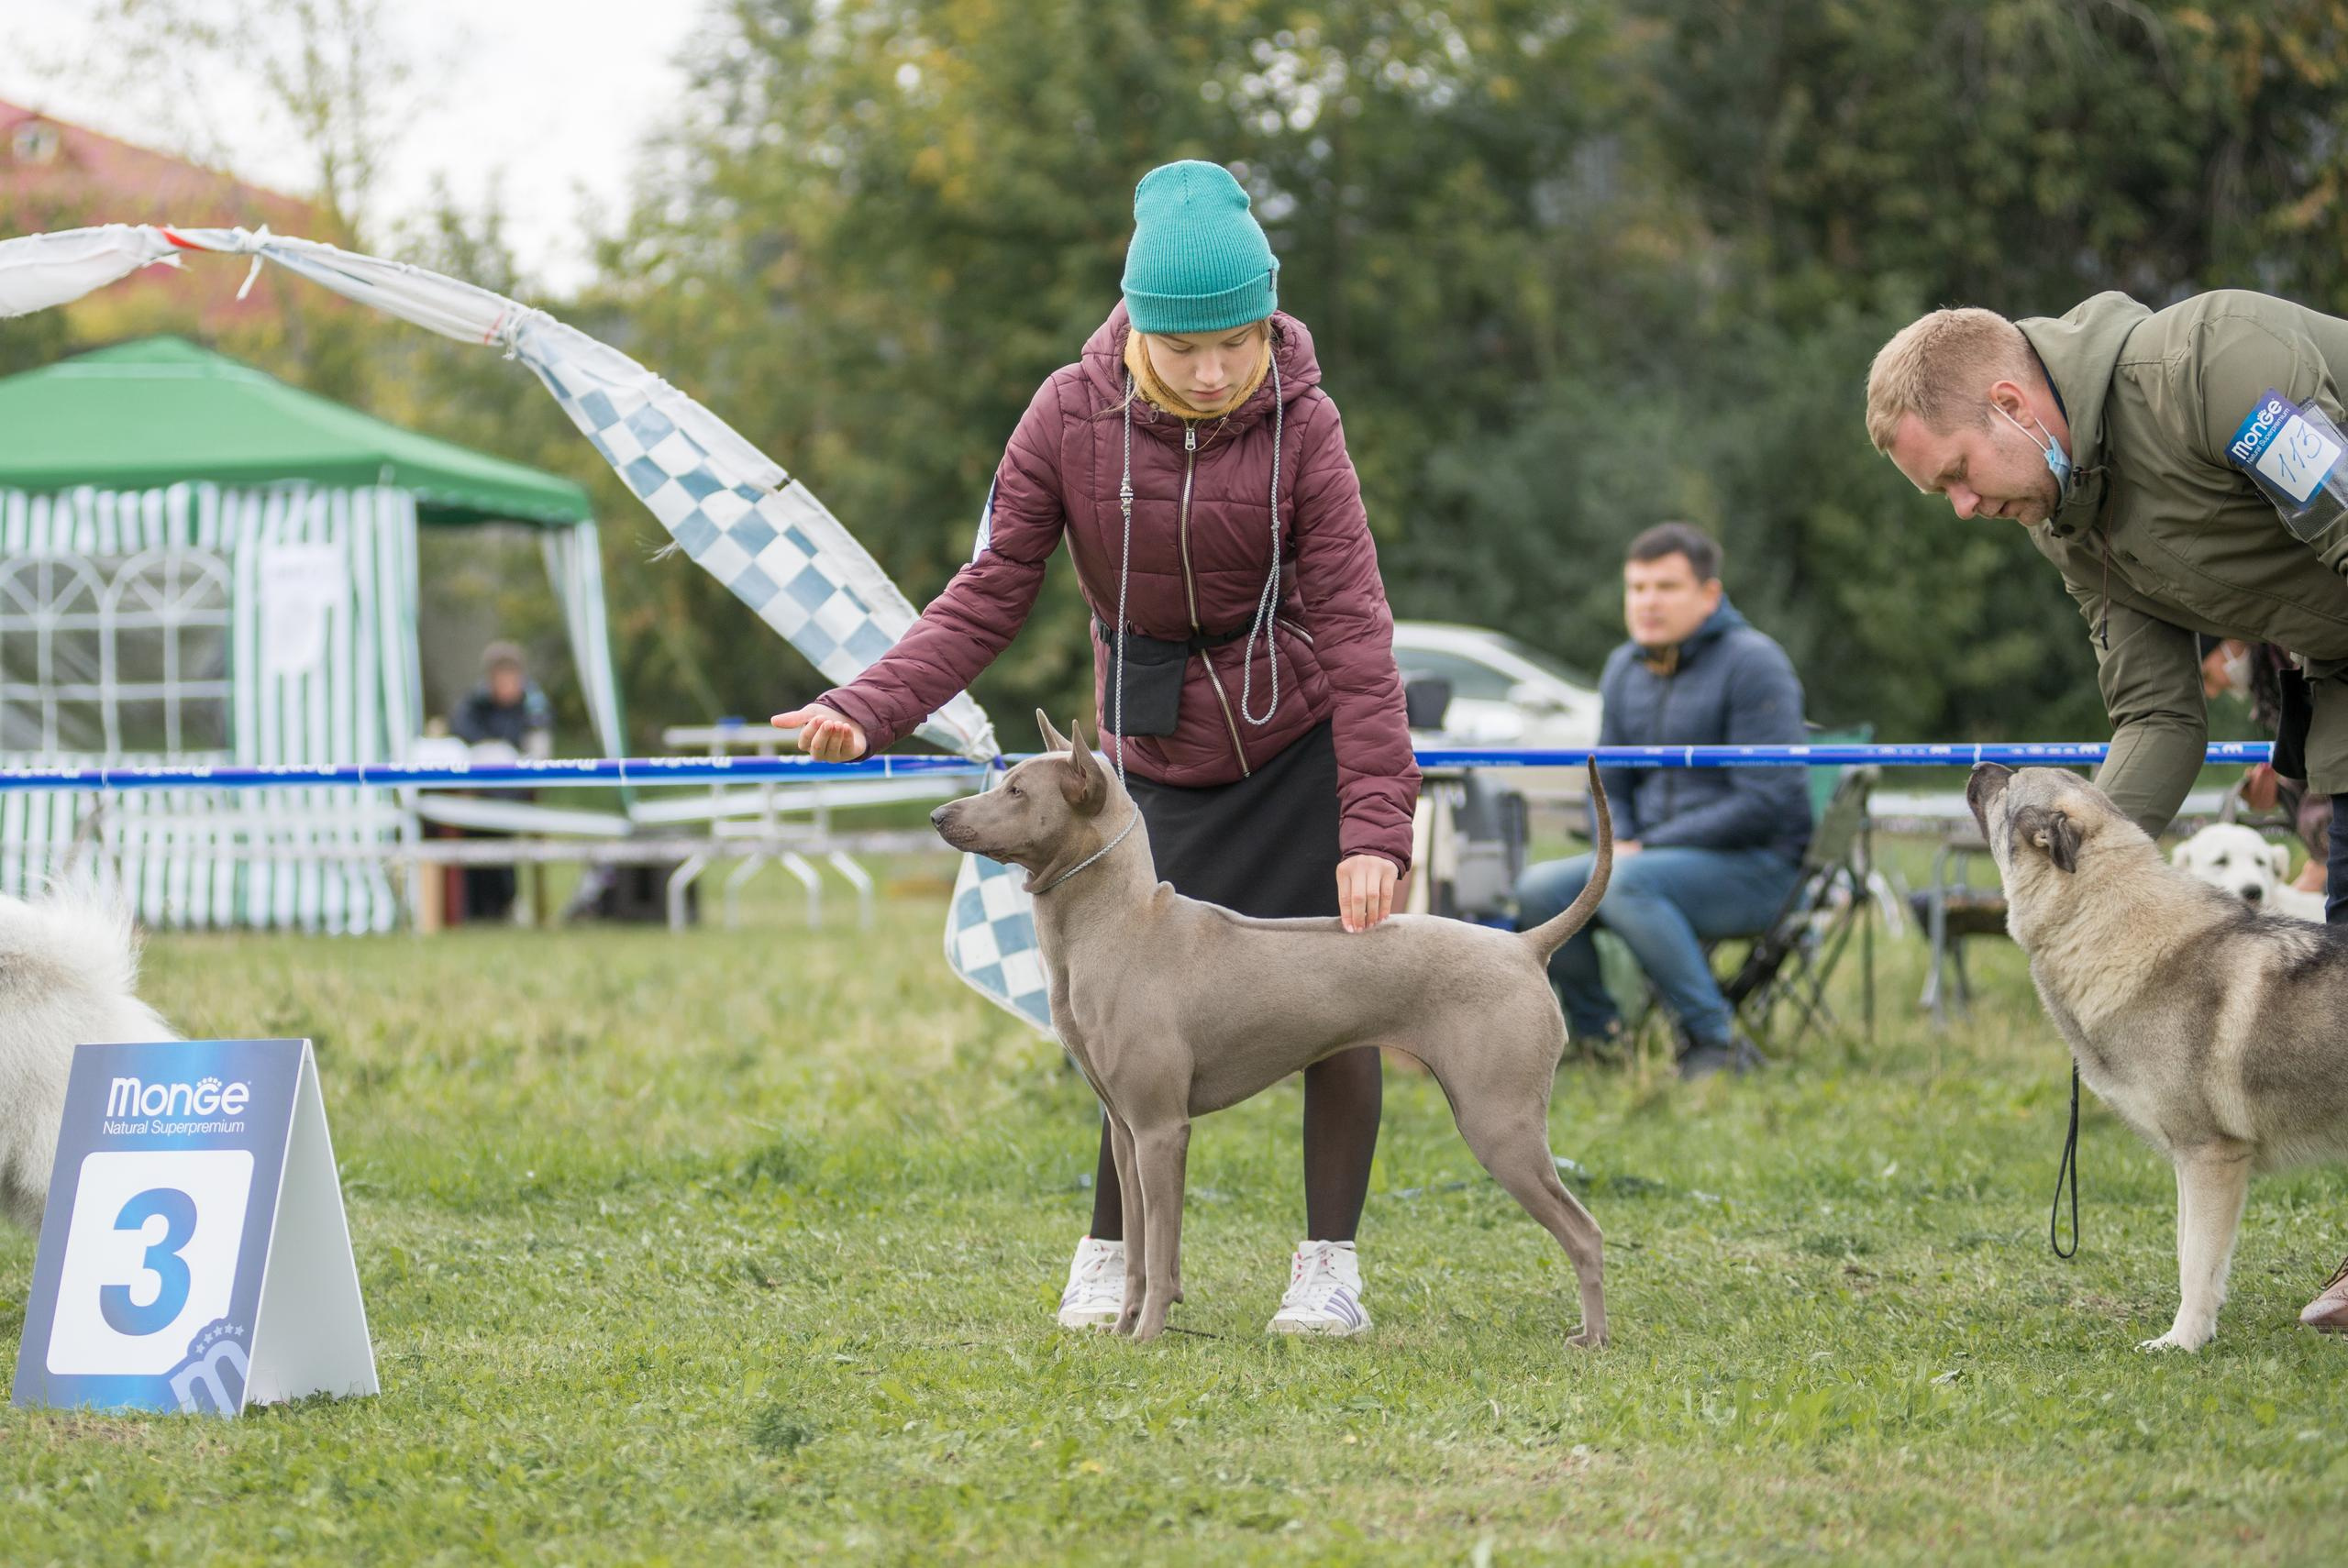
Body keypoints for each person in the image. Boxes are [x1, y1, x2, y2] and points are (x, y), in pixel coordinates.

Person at [771, 160, 1419, 1337]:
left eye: (1240, 340)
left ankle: (1327, 1266)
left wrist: (1375, 826)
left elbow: (1362, 638)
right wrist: (867, 707)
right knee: (1123, 1013)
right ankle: (1110, 1255)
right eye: (1186, 349)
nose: (1217, 371)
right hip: (1150, 759)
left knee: (1345, 1002)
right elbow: (984, 597)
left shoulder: (1307, 428)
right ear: (1136, 332)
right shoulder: (1063, 418)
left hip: (1296, 745)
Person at [1866, 291, 2348, 1332]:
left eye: (1955, 473)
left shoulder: (2215, 365)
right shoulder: (2067, 522)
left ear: (2010, 404)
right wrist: (2078, 905)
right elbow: (2156, 717)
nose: (1959, 507)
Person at [1512, 523, 1811, 1080]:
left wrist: (1644, 846)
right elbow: (1610, 781)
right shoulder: (1625, 667)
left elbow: (1768, 799)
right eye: (1638, 587)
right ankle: (1601, 1041)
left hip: (1760, 871)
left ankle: (1713, 1043)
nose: (1648, 602)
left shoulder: (1754, 662)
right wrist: (1619, 839)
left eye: (1666, 587)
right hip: (1644, 860)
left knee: (1627, 881)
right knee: (1537, 889)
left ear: (1709, 595)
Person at [448, 640, 553, 921]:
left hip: (513, 792)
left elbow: (539, 749)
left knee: (498, 821)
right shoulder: (474, 704)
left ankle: (503, 902)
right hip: (478, 791)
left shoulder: (533, 706)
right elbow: (460, 732)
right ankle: (477, 906)